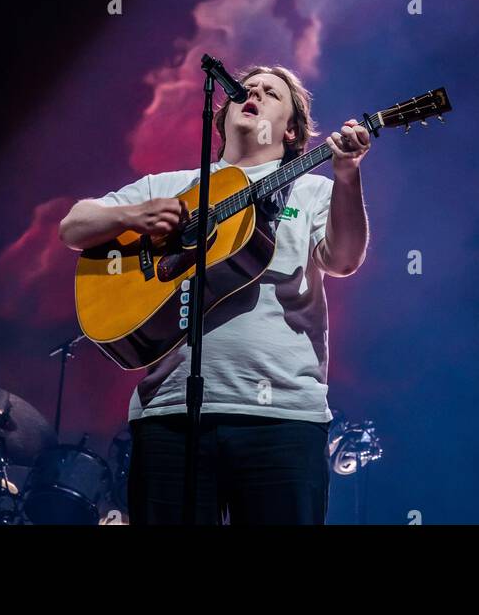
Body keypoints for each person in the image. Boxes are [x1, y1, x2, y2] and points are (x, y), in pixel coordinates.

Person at [58, 63, 370, 525]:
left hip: (283, 416)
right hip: (170, 415)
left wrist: (347, 177)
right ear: (222, 118)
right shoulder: (166, 187)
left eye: (272, 93)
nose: (256, 93)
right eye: (249, 88)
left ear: (290, 132)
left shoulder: (311, 190)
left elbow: (343, 260)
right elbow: (74, 227)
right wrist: (136, 216)